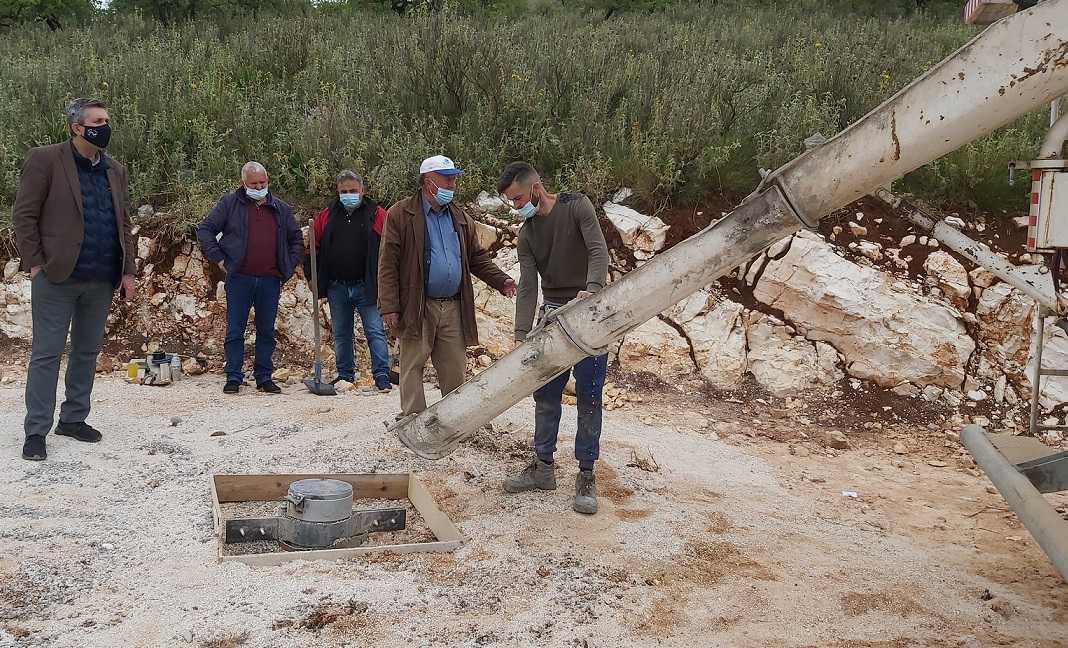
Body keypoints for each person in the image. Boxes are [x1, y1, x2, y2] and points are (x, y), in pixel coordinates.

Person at [12, 97, 137, 462]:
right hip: (57, 276)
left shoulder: (114, 169)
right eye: (97, 122)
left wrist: (128, 270)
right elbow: (24, 216)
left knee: (86, 351)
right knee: (47, 354)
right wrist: (36, 264)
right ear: (76, 128)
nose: (105, 127)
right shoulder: (45, 159)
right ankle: (36, 430)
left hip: (101, 278)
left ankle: (73, 419)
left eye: (107, 120)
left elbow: (123, 222)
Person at [496, 161, 609, 515]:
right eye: (511, 202)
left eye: (518, 199)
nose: (516, 206)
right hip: (553, 317)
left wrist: (593, 289)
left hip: (590, 313)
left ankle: (586, 474)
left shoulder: (577, 206)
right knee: (545, 395)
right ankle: (543, 467)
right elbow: (528, 286)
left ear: (536, 188)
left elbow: (598, 249)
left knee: (589, 396)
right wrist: (520, 335)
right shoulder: (527, 235)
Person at [378, 155, 516, 415]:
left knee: (454, 366)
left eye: (454, 179)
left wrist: (502, 280)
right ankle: (414, 418)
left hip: (453, 306)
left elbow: (476, 257)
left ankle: (453, 419)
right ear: (428, 181)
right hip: (418, 304)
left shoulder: (460, 217)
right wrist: (389, 306)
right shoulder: (401, 214)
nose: (452, 184)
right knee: (412, 364)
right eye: (447, 179)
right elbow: (387, 263)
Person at [196, 161, 303, 395]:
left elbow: (296, 239)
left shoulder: (281, 208)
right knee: (235, 330)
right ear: (243, 183)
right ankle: (233, 376)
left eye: (262, 183)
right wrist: (219, 259)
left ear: (268, 181)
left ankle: (264, 377)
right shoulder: (229, 204)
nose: (259, 187)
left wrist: (287, 266)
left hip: (270, 280)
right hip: (239, 278)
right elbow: (205, 230)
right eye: (254, 184)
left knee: (266, 331)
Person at [307, 170, 391, 391]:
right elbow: (313, 248)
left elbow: (390, 248)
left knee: (375, 331)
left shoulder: (377, 214)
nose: (348, 195)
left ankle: (382, 375)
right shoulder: (326, 216)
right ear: (338, 191)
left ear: (363, 190)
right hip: (337, 286)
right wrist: (312, 277)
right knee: (341, 333)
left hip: (367, 286)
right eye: (344, 191)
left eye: (353, 190)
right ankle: (345, 375)